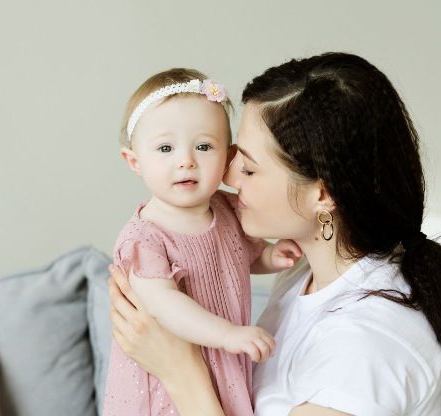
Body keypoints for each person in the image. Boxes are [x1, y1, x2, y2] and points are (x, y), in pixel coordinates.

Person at [107, 53, 441, 415]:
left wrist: (180, 371)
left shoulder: (364, 349)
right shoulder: (307, 274)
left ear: (322, 193)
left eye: (246, 168)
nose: (225, 177)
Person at [103, 68, 302, 416]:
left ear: (228, 158)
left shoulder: (227, 209)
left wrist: (270, 256)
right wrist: (227, 334)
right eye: (165, 147)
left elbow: (241, 257)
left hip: (222, 362)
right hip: (166, 377)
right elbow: (163, 304)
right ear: (134, 161)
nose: (186, 160)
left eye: (204, 146)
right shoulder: (143, 238)